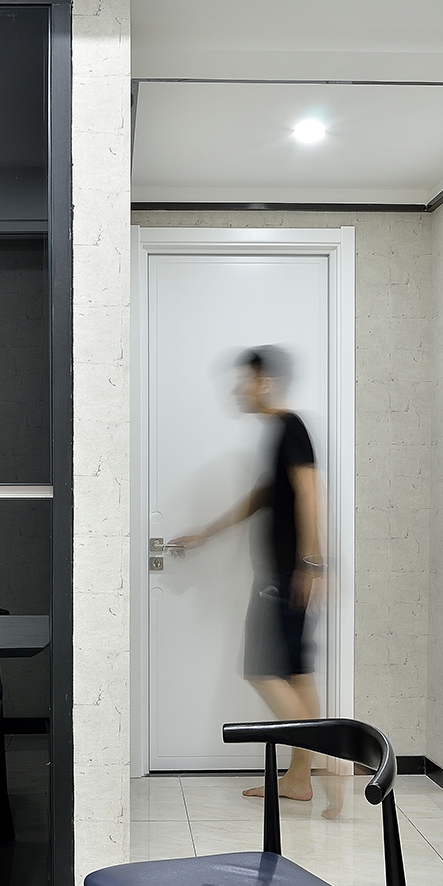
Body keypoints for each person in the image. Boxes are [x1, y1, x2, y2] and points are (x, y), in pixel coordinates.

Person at [169, 346, 341, 817]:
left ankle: (332, 757)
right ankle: (300, 779)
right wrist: (206, 533)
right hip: (287, 572)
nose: (237, 390)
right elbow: (263, 497)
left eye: (243, 380)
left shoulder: (290, 427)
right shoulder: (280, 433)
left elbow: (309, 492)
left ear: (264, 382)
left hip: (286, 574)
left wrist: (311, 564)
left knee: (262, 671)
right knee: (296, 674)